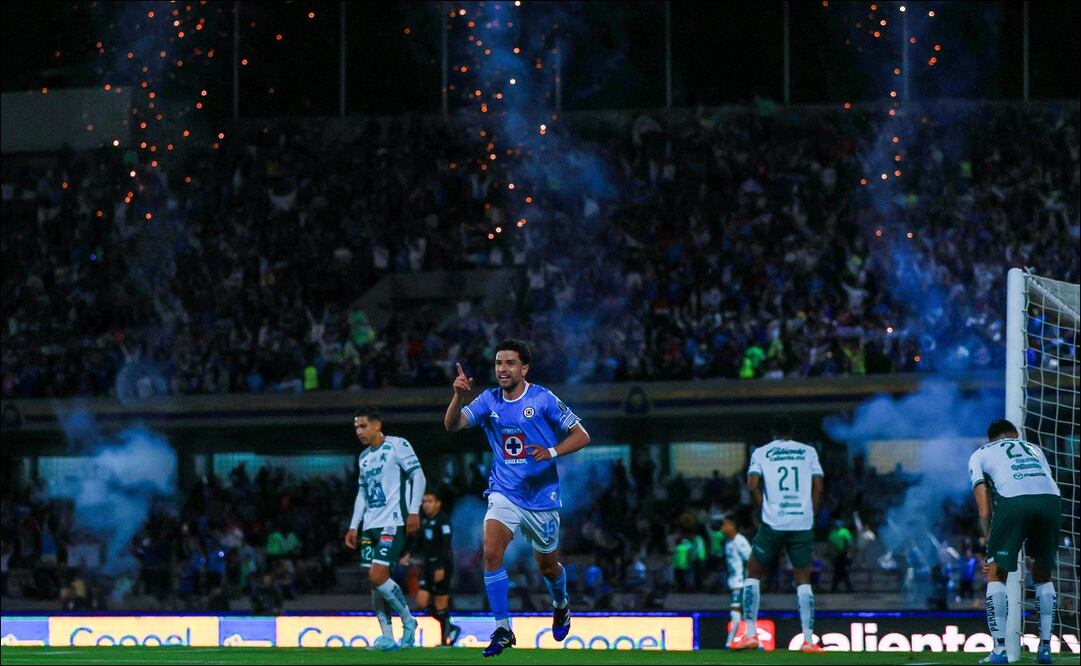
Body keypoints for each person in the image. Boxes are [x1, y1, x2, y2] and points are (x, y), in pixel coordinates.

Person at [444, 339, 591, 657]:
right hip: (503, 492)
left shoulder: (543, 399)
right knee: (491, 551)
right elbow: (452, 425)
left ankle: (561, 602)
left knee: (547, 567)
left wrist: (551, 452)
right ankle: (503, 628)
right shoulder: (488, 400)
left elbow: (582, 435)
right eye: (498, 363)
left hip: (542, 498)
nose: (502, 369)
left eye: (510, 363)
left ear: (524, 368)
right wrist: (458, 396)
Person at [968, 419, 1061, 665]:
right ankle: (1045, 649)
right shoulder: (1034, 449)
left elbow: (984, 508)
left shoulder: (980, 454)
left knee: (996, 573)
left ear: (991, 438)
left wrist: (989, 547)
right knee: (1043, 573)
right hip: (1051, 500)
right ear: (1013, 434)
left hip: (1014, 501)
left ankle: (999, 650)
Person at [731, 417, 825, 653]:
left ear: (773, 432)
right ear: (792, 432)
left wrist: (763, 507)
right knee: (803, 579)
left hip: (773, 522)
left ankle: (751, 635)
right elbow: (819, 486)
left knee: (753, 572)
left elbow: (752, 484)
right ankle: (808, 640)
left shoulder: (761, 453)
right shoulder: (808, 451)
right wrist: (810, 513)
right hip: (802, 522)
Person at [343, 406, 427, 651]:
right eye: (356, 427)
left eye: (363, 426)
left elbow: (418, 476)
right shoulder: (364, 457)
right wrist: (353, 526)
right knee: (375, 582)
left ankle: (409, 621)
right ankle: (387, 637)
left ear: (377, 425)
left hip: (393, 521)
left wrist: (414, 510)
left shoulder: (397, 445)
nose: (359, 431)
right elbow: (362, 493)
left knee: (377, 576)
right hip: (370, 526)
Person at [401, 488, 462, 646]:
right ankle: (451, 627)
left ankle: (445, 641)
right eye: (424, 502)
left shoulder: (443, 522)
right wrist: (408, 554)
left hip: (441, 567)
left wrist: (441, 567)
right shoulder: (425, 521)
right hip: (427, 567)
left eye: (430, 501)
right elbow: (419, 542)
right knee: (422, 602)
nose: (426, 505)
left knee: (441, 605)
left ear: (438, 504)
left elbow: (446, 547)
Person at [721, 514, 752, 649]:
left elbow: (750, 560)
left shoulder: (740, 541)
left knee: (736, 611)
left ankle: (730, 642)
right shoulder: (728, 542)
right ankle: (753, 640)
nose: (723, 527)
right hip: (735, 582)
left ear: (732, 526)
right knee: (742, 613)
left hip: (741, 583)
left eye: (725, 524)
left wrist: (749, 580)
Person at [828, 519, 854, 593]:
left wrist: (848, 552)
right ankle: (846, 588)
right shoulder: (832, 533)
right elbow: (830, 544)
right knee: (840, 572)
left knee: (840, 571)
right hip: (836, 555)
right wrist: (830, 554)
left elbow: (848, 542)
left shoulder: (845, 532)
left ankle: (834, 588)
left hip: (843, 554)